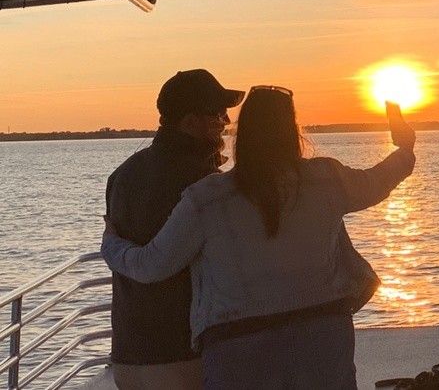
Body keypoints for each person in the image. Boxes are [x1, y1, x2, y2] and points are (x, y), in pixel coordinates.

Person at [101, 85, 416, 389]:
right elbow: (381, 179)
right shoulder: (328, 180)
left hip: (238, 348)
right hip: (323, 339)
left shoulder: (205, 199)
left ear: (243, 132)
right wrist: (405, 148)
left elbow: (152, 265)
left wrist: (112, 244)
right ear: (292, 129)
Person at [105, 69, 245, 390]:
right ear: (189, 121)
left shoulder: (122, 176)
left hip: (128, 354)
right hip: (183, 354)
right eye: (216, 112)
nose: (225, 120)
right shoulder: (203, 184)